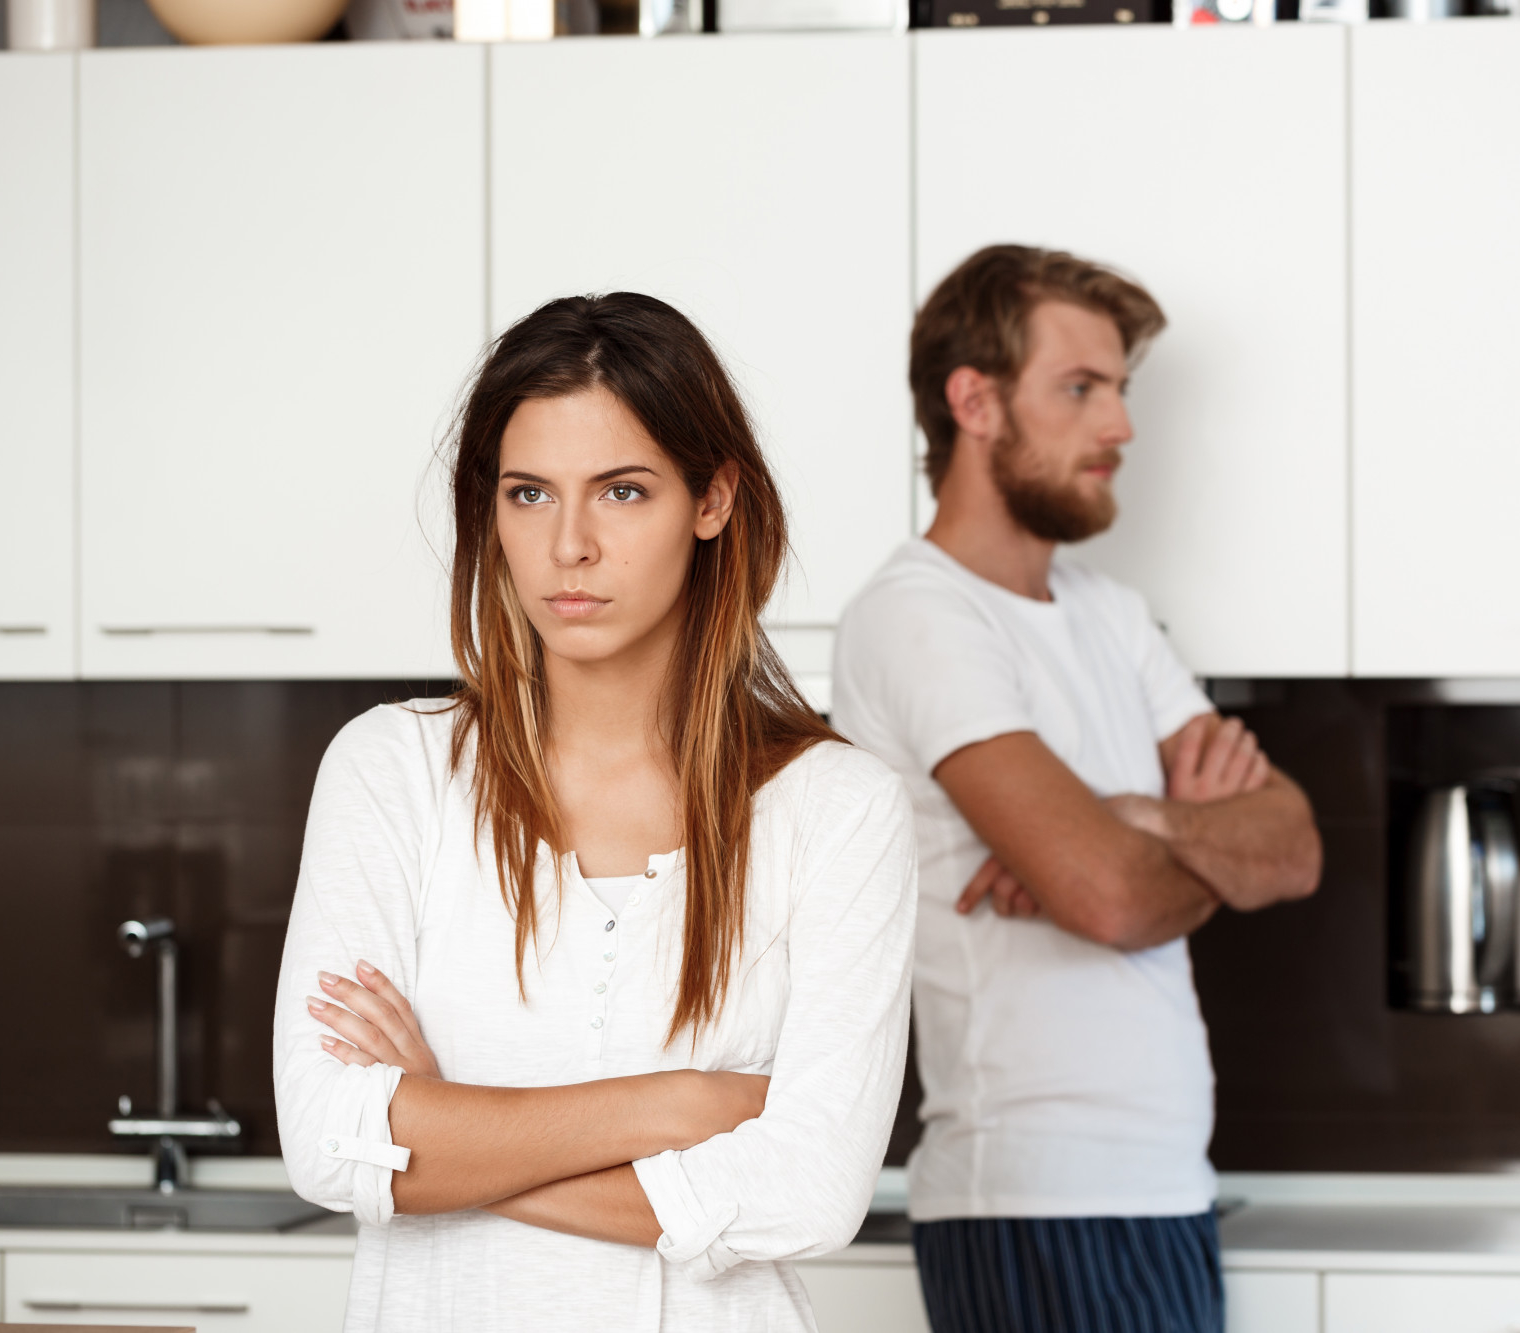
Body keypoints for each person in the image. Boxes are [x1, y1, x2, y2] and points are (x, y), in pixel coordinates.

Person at [272, 293, 918, 1332]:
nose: (568, 544)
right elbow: (323, 1139)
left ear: (711, 499)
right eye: (528, 493)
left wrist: (447, 1140)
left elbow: (808, 1191)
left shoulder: (837, 809)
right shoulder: (391, 771)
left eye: (621, 491)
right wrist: (675, 1105)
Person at [831, 245, 1323, 1333]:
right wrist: (1170, 850)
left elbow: (1291, 845)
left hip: (1160, 1189)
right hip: (1032, 1200)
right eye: (1080, 389)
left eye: (1121, 390)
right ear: (975, 402)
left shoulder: (1106, 613)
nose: (1121, 428)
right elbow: (1108, 900)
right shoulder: (919, 615)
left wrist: (1128, 816)